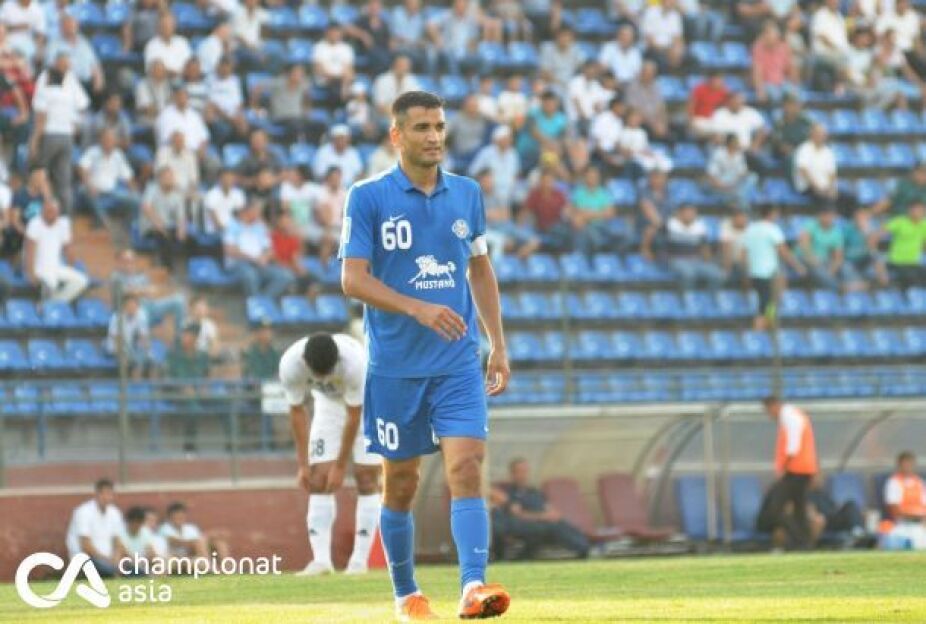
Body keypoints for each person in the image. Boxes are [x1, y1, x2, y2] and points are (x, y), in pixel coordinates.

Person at [340, 91, 510, 620]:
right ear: (397, 135)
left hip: (457, 362)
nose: (434, 136)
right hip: (395, 368)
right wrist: (418, 308)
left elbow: (480, 268)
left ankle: (472, 586)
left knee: (467, 466)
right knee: (401, 484)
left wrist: (498, 344)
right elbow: (352, 280)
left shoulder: (467, 194)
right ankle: (406, 594)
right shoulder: (367, 197)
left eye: (439, 126)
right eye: (421, 128)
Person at [280, 332, 382, 576]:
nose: (324, 378)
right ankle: (321, 561)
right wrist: (303, 464)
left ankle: (359, 562)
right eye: (319, 374)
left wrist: (340, 466)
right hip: (328, 407)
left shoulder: (355, 363)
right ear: (305, 362)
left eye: (329, 372)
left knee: (367, 478)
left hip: (369, 406)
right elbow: (297, 412)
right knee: (318, 479)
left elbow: (354, 416)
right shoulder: (290, 364)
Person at [29, 50, 89, 216]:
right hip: (67, 137)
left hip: (49, 135)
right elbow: (83, 106)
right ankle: (65, 218)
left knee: (39, 172)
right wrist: (75, 124)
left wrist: (34, 141)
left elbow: (41, 119)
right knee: (64, 183)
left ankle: (43, 213)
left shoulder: (46, 90)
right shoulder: (67, 93)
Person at [495, 458, 590, 560]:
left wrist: (554, 514)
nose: (523, 475)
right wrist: (542, 517)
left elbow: (548, 507)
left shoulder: (534, 492)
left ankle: (585, 548)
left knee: (564, 524)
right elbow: (518, 515)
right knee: (553, 527)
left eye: (525, 471)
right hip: (528, 524)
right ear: (512, 474)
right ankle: (580, 549)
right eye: (519, 471)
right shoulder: (508, 493)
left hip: (544, 521)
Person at [761, 396, 819, 549]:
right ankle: (805, 543)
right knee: (799, 508)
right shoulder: (795, 415)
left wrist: (783, 468)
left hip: (795, 469)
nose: (770, 415)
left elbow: (793, 446)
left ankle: (799, 539)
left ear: (773, 406)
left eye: (768, 411)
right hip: (803, 469)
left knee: (775, 508)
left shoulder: (789, 416)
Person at [741, 205, 805, 330]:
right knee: (765, 304)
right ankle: (758, 331)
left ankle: (770, 325)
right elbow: (783, 251)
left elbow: (743, 253)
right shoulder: (772, 229)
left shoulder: (750, 229)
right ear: (771, 214)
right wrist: (798, 267)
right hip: (767, 272)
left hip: (754, 272)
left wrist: (745, 272)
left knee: (770, 302)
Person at [223, 200, 295, 298]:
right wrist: (253, 259)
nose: (259, 214)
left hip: (259, 263)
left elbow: (270, 250)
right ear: (247, 211)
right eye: (256, 211)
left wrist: (264, 257)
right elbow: (230, 250)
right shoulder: (233, 226)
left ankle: (262, 301)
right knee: (251, 275)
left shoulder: (259, 227)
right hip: (239, 263)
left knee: (286, 276)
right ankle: (254, 302)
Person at [24, 197, 88, 302]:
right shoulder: (34, 224)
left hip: (56, 266)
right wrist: (31, 273)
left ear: (58, 212)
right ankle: (49, 305)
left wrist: (71, 266)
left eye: (53, 211)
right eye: (47, 211)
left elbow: (68, 249)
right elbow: (29, 252)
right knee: (50, 283)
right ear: (43, 211)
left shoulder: (63, 224)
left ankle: (55, 302)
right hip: (39, 268)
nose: (50, 213)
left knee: (81, 281)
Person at [110, 249, 186, 334]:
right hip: (132, 313)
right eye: (126, 261)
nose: (129, 264)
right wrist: (143, 291)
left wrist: (148, 291)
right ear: (119, 262)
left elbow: (151, 292)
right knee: (141, 315)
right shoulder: (116, 276)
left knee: (179, 300)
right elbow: (127, 292)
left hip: (150, 307)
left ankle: (179, 339)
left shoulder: (141, 276)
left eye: (132, 260)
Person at [65, 478, 124, 577]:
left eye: (110, 494)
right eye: (104, 494)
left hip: (109, 560)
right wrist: (107, 560)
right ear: (97, 494)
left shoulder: (115, 512)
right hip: (86, 559)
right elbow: (85, 545)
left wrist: (116, 558)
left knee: (135, 570)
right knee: (107, 569)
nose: (107, 497)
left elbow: (117, 541)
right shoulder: (83, 511)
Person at [167, 323, 210, 452]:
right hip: (178, 394)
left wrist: (205, 387)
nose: (184, 337)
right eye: (184, 334)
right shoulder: (174, 354)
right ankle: (189, 446)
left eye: (188, 335)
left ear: (195, 338)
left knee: (228, 402)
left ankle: (232, 446)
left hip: (199, 393)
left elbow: (206, 374)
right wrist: (183, 387)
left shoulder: (202, 355)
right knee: (194, 408)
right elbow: (168, 377)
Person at [666, 204, 726, 289]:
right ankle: (688, 295)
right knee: (689, 274)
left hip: (697, 260)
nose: (691, 215)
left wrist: (708, 259)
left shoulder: (699, 227)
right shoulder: (670, 225)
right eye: (688, 212)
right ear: (679, 213)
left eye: (693, 213)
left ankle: (712, 295)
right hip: (677, 259)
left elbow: (704, 246)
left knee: (717, 274)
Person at [139, 166, 187, 270]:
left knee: (188, 238)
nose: (170, 180)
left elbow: (181, 216)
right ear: (160, 179)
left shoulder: (177, 194)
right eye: (167, 177)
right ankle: (167, 269)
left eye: (171, 177)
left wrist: (181, 230)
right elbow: (146, 208)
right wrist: (159, 224)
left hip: (167, 226)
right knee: (163, 236)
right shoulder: (152, 189)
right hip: (150, 225)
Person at [881, 451, 926, 549]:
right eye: (905, 464)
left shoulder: (920, 482)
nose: (907, 467)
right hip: (902, 523)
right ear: (899, 465)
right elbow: (894, 508)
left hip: (921, 523)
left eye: (909, 464)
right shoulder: (894, 482)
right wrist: (913, 516)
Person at [159, 501, 230, 560]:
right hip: (177, 555)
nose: (180, 517)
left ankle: (227, 568)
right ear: (170, 517)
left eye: (182, 514)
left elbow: (202, 540)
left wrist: (215, 535)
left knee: (219, 543)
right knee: (200, 542)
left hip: (195, 551)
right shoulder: (165, 528)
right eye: (177, 515)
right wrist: (206, 537)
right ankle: (208, 567)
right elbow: (176, 542)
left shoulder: (191, 528)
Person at [105, 294, 154, 377]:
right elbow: (116, 339)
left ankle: (147, 385)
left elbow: (144, 336)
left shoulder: (141, 315)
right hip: (115, 347)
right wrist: (123, 354)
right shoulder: (116, 317)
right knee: (126, 360)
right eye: (130, 305)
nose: (132, 307)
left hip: (130, 347)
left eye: (135, 305)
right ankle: (124, 383)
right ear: (124, 306)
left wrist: (148, 353)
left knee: (149, 361)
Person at [706, 134, 758, 213]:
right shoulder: (719, 153)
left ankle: (737, 197)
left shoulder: (739, 154)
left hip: (734, 182)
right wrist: (722, 185)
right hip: (720, 180)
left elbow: (742, 172)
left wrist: (742, 177)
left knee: (753, 177)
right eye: (735, 142)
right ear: (729, 143)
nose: (737, 144)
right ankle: (738, 200)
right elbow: (711, 173)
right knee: (741, 197)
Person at [883, 201, 926, 291]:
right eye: (917, 210)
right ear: (910, 210)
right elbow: (878, 234)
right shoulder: (899, 221)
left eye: (922, 211)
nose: (920, 213)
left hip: (914, 262)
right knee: (912, 280)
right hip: (897, 261)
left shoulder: (924, 224)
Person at [119, 506, 164, 574]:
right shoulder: (120, 534)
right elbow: (124, 554)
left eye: (138, 522)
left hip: (142, 564)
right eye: (133, 522)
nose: (136, 525)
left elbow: (151, 552)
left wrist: (158, 566)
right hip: (127, 566)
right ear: (128, 522)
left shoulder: (145, 532)